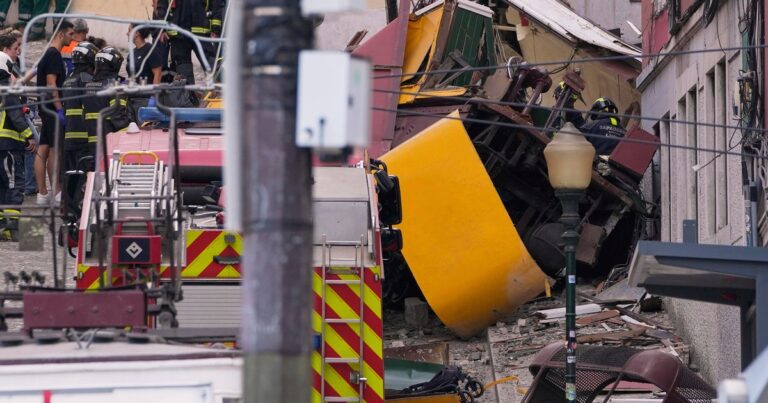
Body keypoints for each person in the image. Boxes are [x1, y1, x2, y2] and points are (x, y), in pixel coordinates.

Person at [34, 19, 73, 206]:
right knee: (54, 149)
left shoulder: (48, 53)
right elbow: (52, 83)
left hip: (45, 107)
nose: (71, 38)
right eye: (70, 34)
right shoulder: (54, 55)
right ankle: (55, 191)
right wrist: (59, 109)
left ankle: (43, 194)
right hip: (51, 108)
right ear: (61, 34)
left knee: (44, 147)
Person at [0, 52, 35, 241]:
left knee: (1, 187)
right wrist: (30, 136)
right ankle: (13, 228)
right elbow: (15, 116)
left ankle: (2, 226)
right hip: (9, 146)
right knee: (14, 184)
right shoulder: (8, 90)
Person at [155, 0, 225, 86]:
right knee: (184, 74)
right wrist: (161, 29)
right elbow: (162, 5)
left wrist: (216, 28)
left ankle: (223, 93)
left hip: (201, 33)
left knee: (213, 67)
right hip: (179, 35)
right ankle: (189, 97)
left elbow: (216, 4)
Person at [83, 47, 130, 158]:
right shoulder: (115, 87)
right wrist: (131, 136)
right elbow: (118, 118)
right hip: (111, 145)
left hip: (91, 145)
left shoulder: (87, 87)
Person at [62, 41, 97, 173]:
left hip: (69, 137)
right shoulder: (87, 79)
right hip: (84, 137)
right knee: (84, 178)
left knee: (71, 176)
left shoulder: (68, 79)